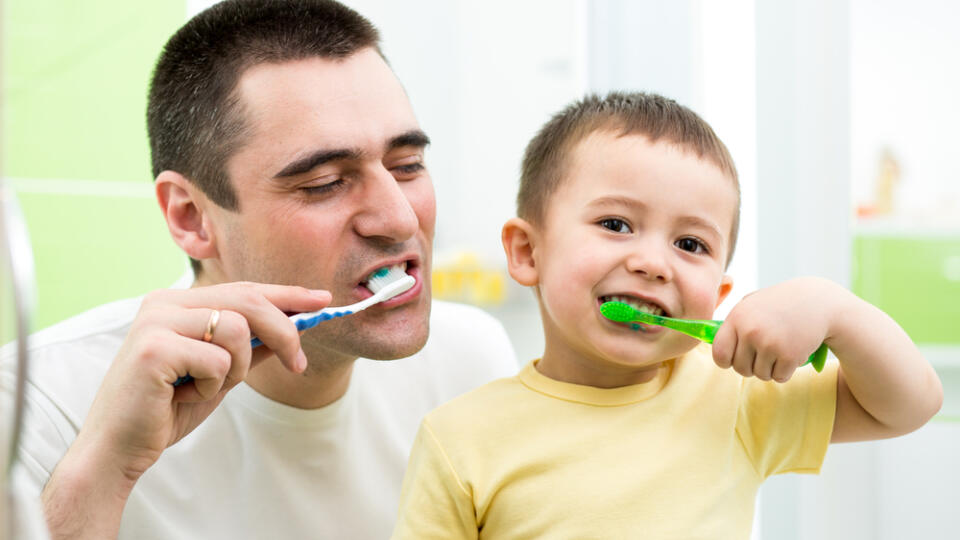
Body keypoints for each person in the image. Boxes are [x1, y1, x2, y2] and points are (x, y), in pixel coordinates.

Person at [0, 1, 518, 538]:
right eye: (324, 183)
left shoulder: (470, 363)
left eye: (407, 166)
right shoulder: (35, 407)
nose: (399, 217)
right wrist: (105, 468)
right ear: (192, 217)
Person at [391, 92, 943, 539]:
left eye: (690, 243)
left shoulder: (735, 397)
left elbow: (910, 405)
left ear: (720, 292)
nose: (653, 263)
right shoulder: (459, 439)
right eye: (615, 224)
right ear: (528, 252)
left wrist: (836, 309)